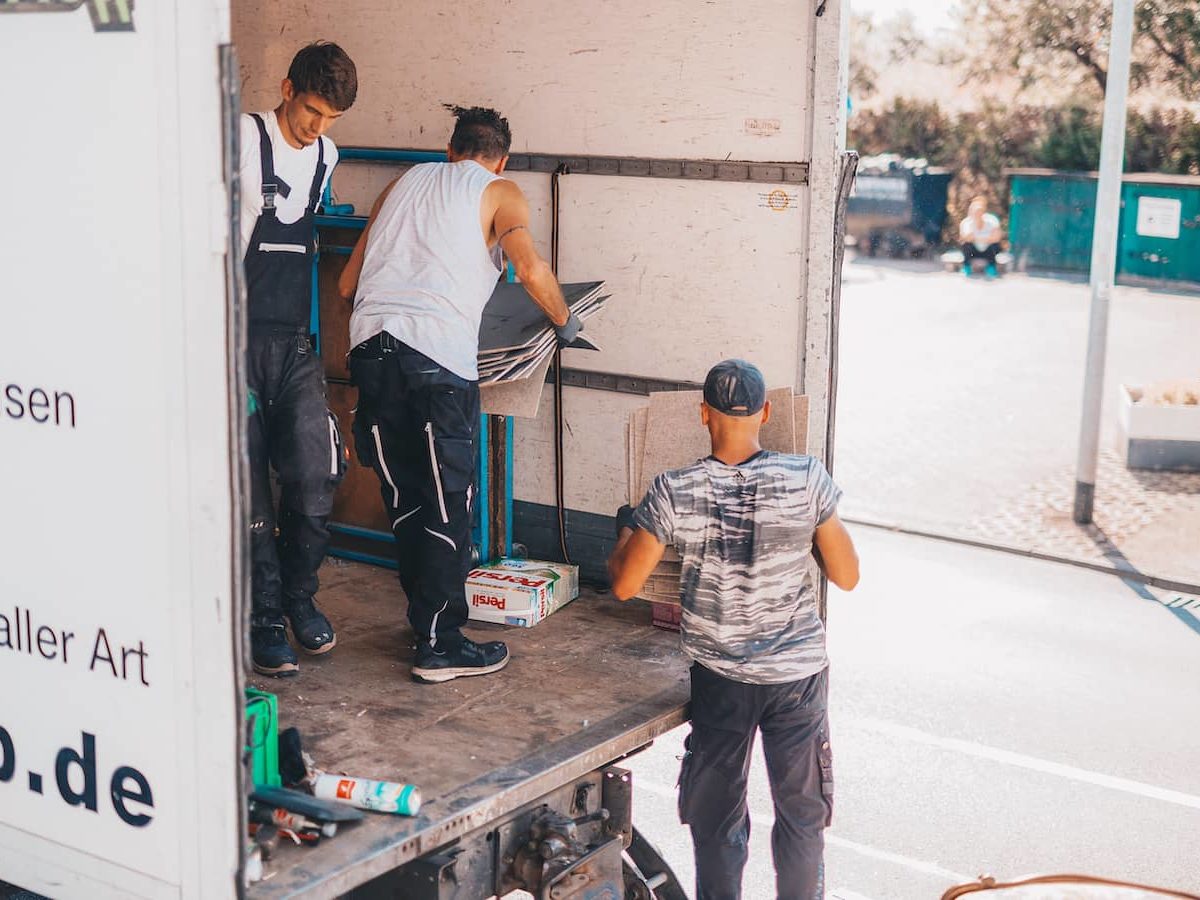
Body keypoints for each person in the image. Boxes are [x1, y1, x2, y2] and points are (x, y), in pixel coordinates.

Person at [337, 105, 580, 685]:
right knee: (448, 500)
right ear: (501, 158)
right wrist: (565, 322)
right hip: (435, 363)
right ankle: (440, 645)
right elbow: (528, 268)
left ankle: (426, 623)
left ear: (449, 150)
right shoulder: (501, 192)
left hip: (370, 352)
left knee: (406, 498)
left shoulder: (403, 183)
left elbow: (347, 284)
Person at [607, 359, 860, 900]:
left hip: (723, 681)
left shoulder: (675, 490)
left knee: (716, 823)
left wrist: (629, 527)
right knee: (802, 816)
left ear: (704, 414)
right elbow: (847, 576)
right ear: (766, 412)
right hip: (798, 679)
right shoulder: (807, 478)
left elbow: (626, 585)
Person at [241, 42, 357, 676]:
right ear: (287, 88)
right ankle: (263, 620)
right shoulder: (243, 137)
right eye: (311, 109)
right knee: (253, 488)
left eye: (329, 118)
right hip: (236, 341)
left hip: (293, 343)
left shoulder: (326, 155)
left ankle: (298, 600)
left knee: (317, 473)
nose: (316, 127)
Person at [958, 196, 1003, 278]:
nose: (977, 213)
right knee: (966, 245)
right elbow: (966, 238)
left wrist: (977, 238)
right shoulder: (966, 222)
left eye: (979, 211)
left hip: (988, 251)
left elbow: (996, 238)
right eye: (975, 211)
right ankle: (966, 267)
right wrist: (975, 223)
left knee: (994, 246)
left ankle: (991, 267)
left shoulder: (992, 220)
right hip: (974, 252)